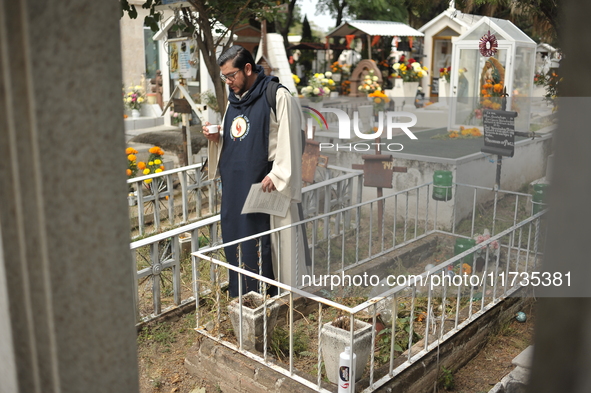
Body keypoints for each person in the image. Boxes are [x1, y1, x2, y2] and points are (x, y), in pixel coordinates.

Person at [203, 45, 304, 297]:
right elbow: (237, 136)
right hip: (235, 186)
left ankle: (267, 295)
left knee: (260, 241)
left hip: (263, 185)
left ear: (247, 68)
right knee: (236, 238)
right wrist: (217, 137)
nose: (228, 82)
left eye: (231, 75)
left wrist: (278, 174)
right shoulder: (234, 98)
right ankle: (241, 293)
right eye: (224, 77)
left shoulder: (277, 96)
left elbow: (290, 140)